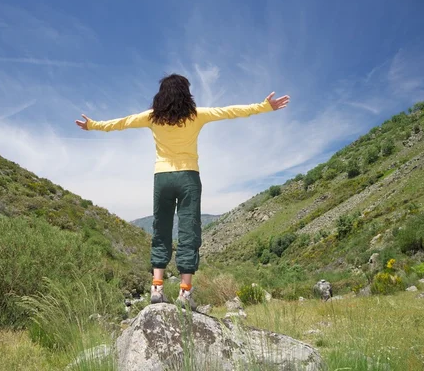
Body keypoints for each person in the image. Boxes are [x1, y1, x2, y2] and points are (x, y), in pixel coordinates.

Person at [75, 74, 289, 310]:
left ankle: (156, 288)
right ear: (186, 93)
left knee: (161, 229)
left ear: (161, 94)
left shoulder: (151, 118)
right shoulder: (196, 115)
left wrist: (92, 125)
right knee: (188, 231)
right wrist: (264, 106)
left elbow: (122, 122)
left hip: (162, 178)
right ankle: (184, 293)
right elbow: (230, 111)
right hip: (188, 177)